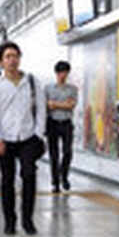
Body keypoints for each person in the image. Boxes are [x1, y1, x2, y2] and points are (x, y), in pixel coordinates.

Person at [0, 41, 46, 235]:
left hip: (28, 137)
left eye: (15, 56)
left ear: (20, 58)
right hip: (5, 139)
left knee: (29, 176)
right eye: (8, 57)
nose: (12, 60)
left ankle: (27, 219)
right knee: (7, 181)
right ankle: (9, 221)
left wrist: (38, 134)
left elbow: (41, 110)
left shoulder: (31, 81)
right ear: (1, 62)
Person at [44, 60, 78, 193]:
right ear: (56, 73)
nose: (62, 75)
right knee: (54, 154)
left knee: (67, 152)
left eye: (65, 72)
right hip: (52, 123)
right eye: (60, 72)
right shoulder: (48, 88)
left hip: (67, 123)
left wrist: (55, 104)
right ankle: (55, 182)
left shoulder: (72, 89)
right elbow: (46, 105)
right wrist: (63, 104)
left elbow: (71, 105)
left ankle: (64, 176)